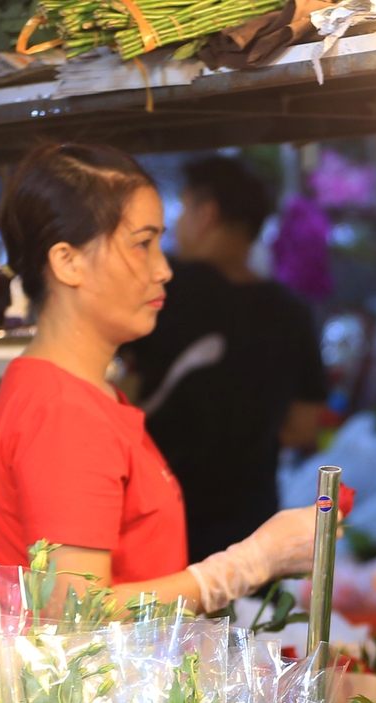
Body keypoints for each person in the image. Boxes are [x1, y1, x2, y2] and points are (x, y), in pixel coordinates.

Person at [0, 143, 319, 610]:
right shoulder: (65, 413)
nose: (163, 269)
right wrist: (250, 563)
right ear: (67, 262)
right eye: (142, 244)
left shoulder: (85, 396)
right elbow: (75, 614)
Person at [126, 154, 329, 562]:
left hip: (157, 512)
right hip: (249, 522)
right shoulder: (291, 311)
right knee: (243, 625)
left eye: (181, 210)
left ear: (206, 214)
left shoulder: (161, 293)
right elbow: (304, 426)